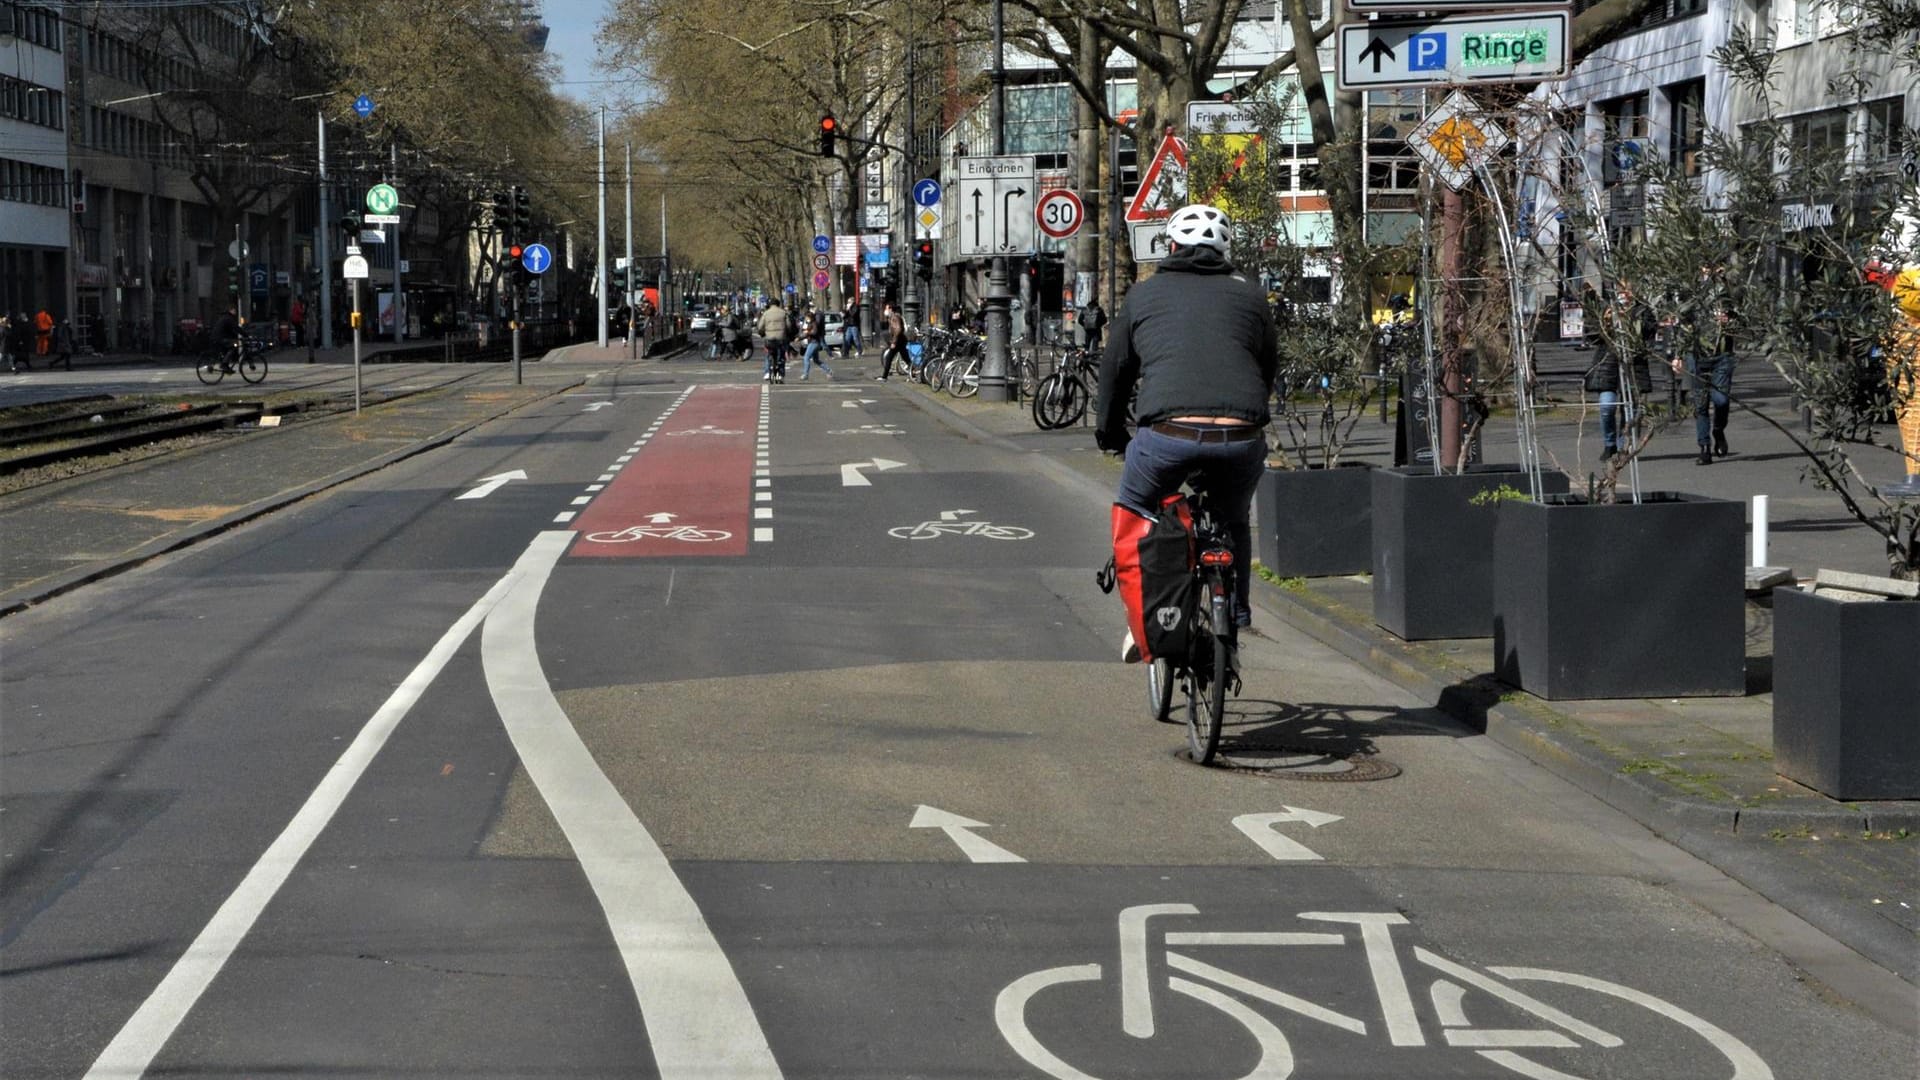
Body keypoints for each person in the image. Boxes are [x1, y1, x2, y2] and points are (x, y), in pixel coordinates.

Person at [1095, 204, 1277, 651]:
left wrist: (1110, 433)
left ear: (1171, 247)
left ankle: (1147, 619)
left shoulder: (1143, 295)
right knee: (1234, 521)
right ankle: (1236, 614)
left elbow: (1115, 371)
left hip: (1168, 436)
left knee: (1138, 512)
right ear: (1224, 250)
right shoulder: (1252, 296)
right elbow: (1267, 367)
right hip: (1240, 436)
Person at [1585, 282, 1656, 460]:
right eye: (1620, 289)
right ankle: (1610, 444)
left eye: (1627, 289)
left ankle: (1625, 446)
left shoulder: (1643, 311)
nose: (1623, 293)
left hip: (1633, 365)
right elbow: (1591, 336)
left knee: (1631, 410)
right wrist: (1605, 323)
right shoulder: (1607, 308)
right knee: (1607, 406)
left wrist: (1630, 322)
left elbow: (1649, 335)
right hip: (1608, 364)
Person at [1675, 263, 1735, 465]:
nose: (1709, 269)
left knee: (1721, 400)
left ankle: (1718, 430)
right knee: (1700, 404)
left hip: (1721, 353)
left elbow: (1743, 317)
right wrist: (1678, 354)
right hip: (1697, 354)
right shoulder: (1690, 289)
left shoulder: (1728, 288)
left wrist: (1730, 320)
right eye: (1705, 266)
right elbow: (1683, 322)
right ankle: (1704, 447)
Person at [796, 304, 834, 381]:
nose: (806, 319)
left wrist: (807, 333)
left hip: (814, 343)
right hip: (814, 343)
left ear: (810, 317)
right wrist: (800, 338)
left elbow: (814, 332)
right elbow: (808, 334)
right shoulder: (811, 324)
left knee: (806, 357)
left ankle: (805, 374)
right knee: (816, 360)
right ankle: (829, 370)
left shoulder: (814, 323)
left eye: (806, 318)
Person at [757, 297, 789, 382]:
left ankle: (767, 372)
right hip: (781, 338)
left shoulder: (766, 313)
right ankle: (781, 375)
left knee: (768, 354)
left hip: (769, 339)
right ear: (778, 304)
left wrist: (762, 333)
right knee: (781, 355)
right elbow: (789, 325)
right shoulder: (783, 313)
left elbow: (760, 327)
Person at [876, 301, 909, 381]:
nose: (885, 310)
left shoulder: (894, 317)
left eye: (887, 308)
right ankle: (914, 372)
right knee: (906, 358)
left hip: (898, 341)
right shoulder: (893, 317)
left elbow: (898, 329)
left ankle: (884, 377)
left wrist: (894, 342)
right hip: (900, 340)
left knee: (888, 357)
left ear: (891, 309)